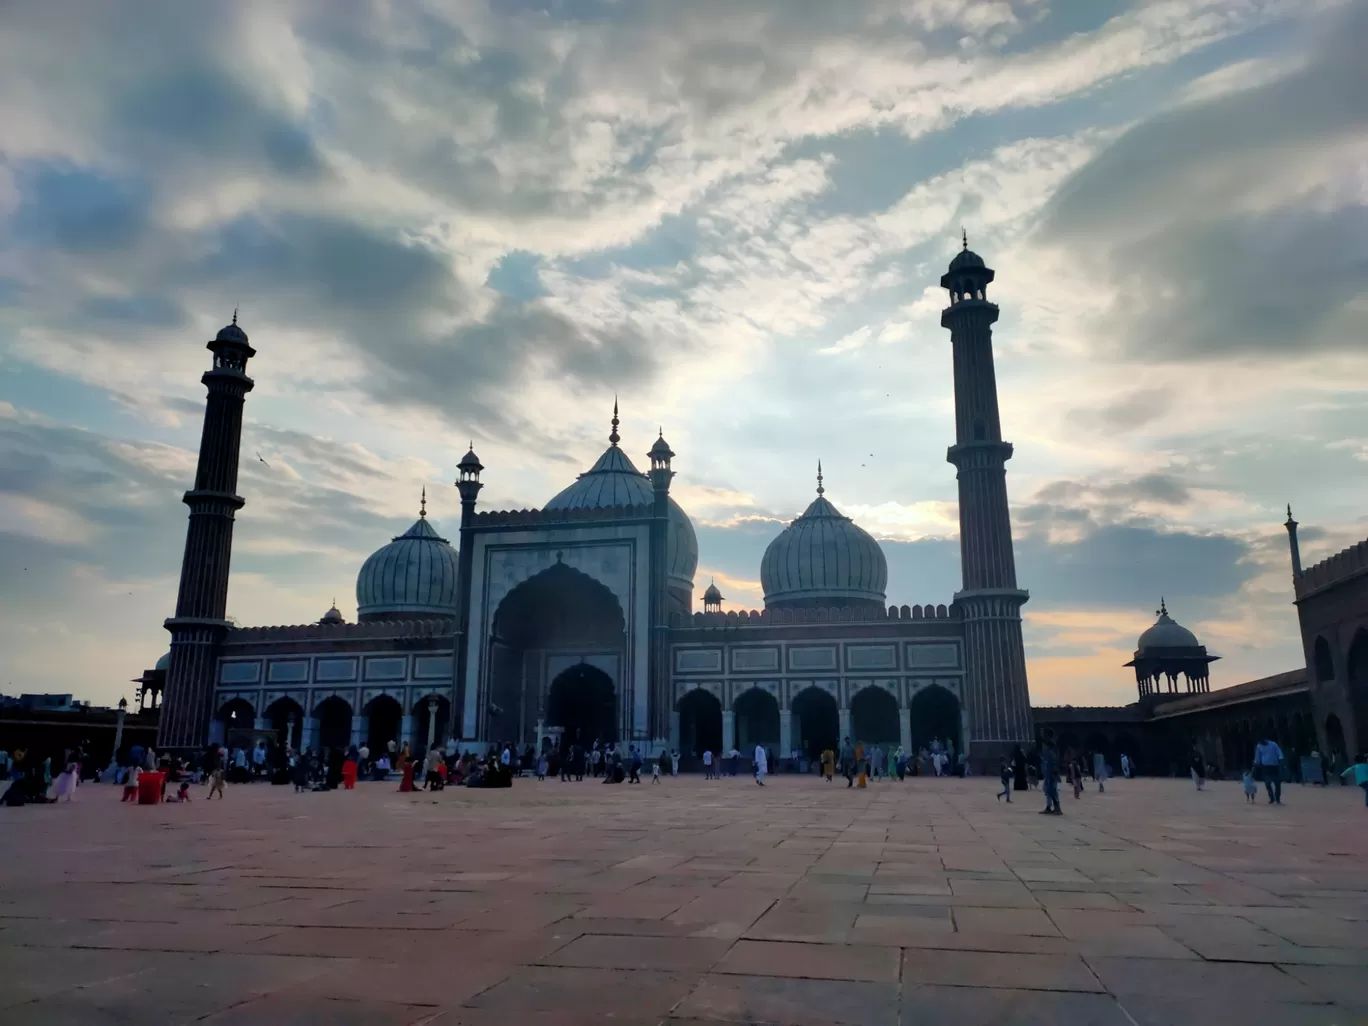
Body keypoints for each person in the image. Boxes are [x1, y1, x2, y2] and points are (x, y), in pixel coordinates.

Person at [1253, 735, 1283, 804]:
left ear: (1265, 739)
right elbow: (1258, 757)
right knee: (1267, 783)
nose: (1261, 743)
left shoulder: (1273, 744)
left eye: (1262, 741)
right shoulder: (1259, 746)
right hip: (1265, 766)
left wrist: (1280, 759)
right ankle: (1271, 798)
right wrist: (1257, 763)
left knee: (1277, 783)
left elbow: (1279, 752)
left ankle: (1277, 798)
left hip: (1274, 765)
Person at [1040, 733, 1062, 815]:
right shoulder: (1047, 752)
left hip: (1052, 775)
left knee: (1052, 791)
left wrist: (1054, 775)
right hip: (1048, 774)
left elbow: (1054, 764)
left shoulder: (1051, 752)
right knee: (1048, 791)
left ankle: (1057, 808)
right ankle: (1048, 807)